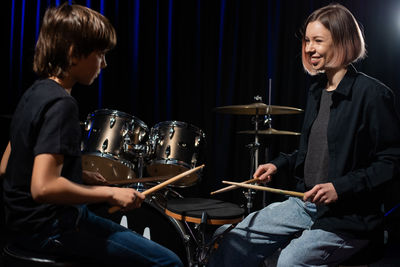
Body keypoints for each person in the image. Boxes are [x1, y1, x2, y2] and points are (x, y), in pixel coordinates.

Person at [207, 4, 400, 267]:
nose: (309, 48)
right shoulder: (317, 91)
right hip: (305, 204)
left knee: (289, 262)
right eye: (307, 40)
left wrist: (339, 188)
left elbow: (391, 161)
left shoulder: (373, 94)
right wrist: (278, 164)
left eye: (318, 41)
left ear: (343, 42)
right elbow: (313, 151)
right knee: (235, 240)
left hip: (350, 218)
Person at [0, 3, 183, 267]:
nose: (105, 63)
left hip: (21, 225)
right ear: (75, 53)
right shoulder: (62, 105)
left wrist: (79, 175)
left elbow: (8, 165)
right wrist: (109, 194)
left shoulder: (33, 94)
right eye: (100, 54)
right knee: (169, 262)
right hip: (50, 229)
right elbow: (43, 187)